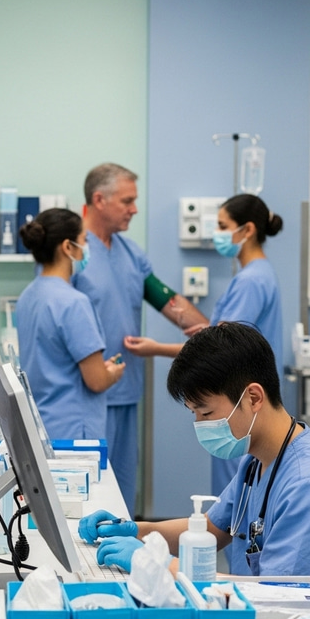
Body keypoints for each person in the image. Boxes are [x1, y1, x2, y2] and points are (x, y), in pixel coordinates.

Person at [78, 322, 310, 578]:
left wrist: (156, 563)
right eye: (194, 414)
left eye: (207, 413)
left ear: (253, 397)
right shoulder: (257, 461)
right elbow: (212, 528)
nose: (200, 425)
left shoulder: (309, 485)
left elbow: (275, 596)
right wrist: (137, 530)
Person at [125, 193, 284, 495]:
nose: (217, 233)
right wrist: (210, 330)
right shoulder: (259, 273)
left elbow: (224, 352)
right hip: (242, 396)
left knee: (239, 493)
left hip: (237, 399)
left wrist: (155, 348)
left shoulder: (250, 281)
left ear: (248, 230)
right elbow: (234, 335)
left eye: (223, 226)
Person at [72, 163, 207, 514]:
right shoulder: (73, 253)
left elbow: (167, 300)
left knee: (121, 494)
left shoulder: (130, 253)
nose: (134, 209)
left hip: (126, 391)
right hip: (85, 397)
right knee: (87, 499)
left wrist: (212, 333)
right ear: (99, 200)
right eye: (127, 201)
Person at [15, 208, 125, 440]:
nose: (87, 247)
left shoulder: (27, 296)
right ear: (67, 247)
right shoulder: (74, 303)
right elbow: (96, 381)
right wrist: (112, 374)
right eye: (84, 240)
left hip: (40, 426)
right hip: (73, 432)